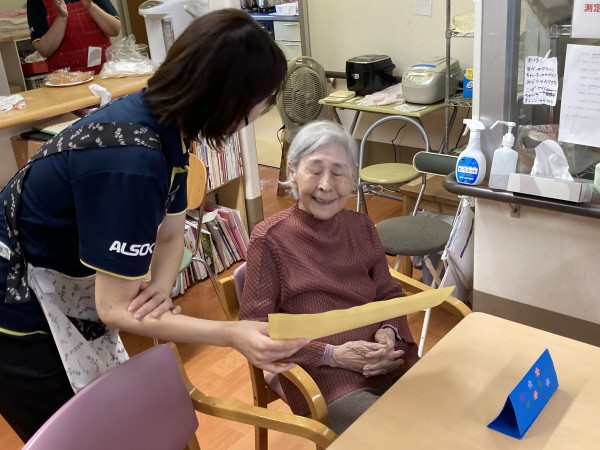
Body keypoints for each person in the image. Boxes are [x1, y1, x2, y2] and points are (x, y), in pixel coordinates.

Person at [0, 9, 308, 443]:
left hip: (64, 283)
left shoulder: (168, 124)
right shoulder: (132, 160)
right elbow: (115, 309)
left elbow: (169, 233)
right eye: (262, 102)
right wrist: (231, 333)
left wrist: (160, 291)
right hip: (15, 305)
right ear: (230, 98)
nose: (260, 113)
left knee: (113, 422)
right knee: (75, 435)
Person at [239, 120, 420, 435]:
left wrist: (390, 334)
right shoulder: (269, 240)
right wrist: (332, 356)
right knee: (393, 436)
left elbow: (389, 294)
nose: (326, 185)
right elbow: (254, 331)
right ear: (292, 171)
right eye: (314, 170)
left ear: (353, 179)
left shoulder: (362, 226)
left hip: (384, 358)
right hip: (322, 375)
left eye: (338, 173)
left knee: (442, 415)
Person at [27, 0, 121, 74]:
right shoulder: (36, 2)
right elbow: (44, 50)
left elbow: (114, 30)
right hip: (66, 79)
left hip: (104, 73)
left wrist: (91, 7)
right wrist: (61, 18)